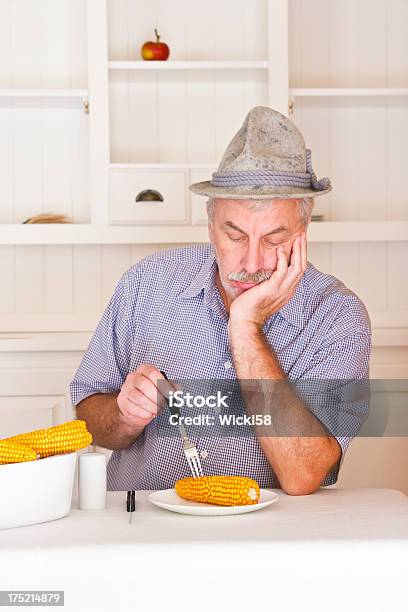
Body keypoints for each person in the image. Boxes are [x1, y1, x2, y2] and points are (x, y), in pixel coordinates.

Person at [70, 106, 371, 495]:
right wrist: (124, 416)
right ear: (211, 226)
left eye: (274, 239)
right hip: (141, 537)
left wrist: (246, 328)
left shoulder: (339, 318)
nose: (251, 262)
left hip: (268, 546)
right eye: (235, 235)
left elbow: (304, 475)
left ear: (303, 230)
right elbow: (88, 416)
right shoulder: (146, 283)